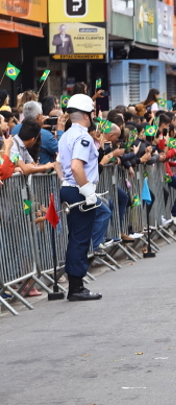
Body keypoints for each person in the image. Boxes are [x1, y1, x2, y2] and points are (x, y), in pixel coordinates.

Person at [58, 94, 104, 300]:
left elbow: (59, 164)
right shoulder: (83, 137)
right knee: (80, 239)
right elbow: (77, 167)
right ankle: (76, 287)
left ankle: (75, 284)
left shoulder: (66, 135)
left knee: (75, 237)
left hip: (69, 187)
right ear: (87, 115)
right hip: (79, 189)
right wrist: (87, 190)